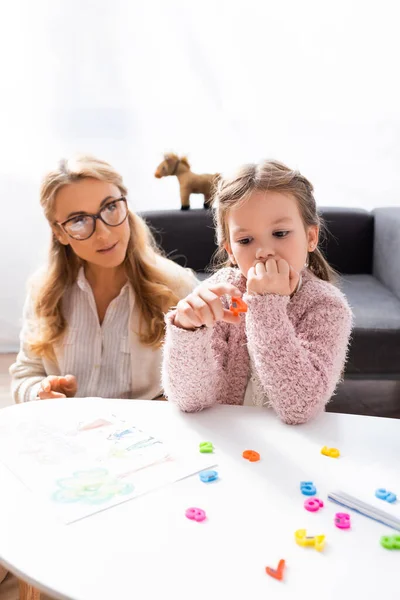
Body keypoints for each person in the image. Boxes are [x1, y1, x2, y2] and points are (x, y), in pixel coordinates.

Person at [162, 160, 353, 424]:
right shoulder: (221, 294)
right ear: (230, 250)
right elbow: (190, 401)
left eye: (280, 233)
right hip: (229, 441)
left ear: (311, 237)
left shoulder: (326, 306)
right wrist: (188, 331)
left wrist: (267, 305)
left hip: (296, 446)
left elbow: (299, 408)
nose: (263, 250)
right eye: (245, 240)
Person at [10, 155, 198, 402]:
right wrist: (40, 392)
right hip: (69, 434)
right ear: (59, 232)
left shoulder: (177, 288)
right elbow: (25, 376)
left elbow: (200, 385)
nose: (104, 233)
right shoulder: (43, 290)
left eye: (110, 207)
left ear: (125, 205)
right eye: (78, 220)